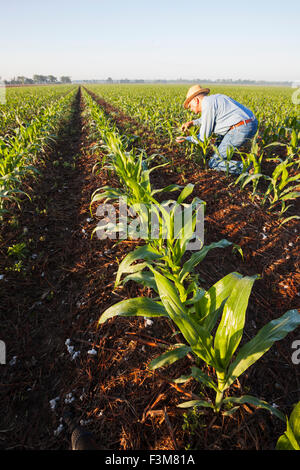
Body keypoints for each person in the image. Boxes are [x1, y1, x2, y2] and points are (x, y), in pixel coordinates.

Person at [176, 85, 258, 174]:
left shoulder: (207, 105)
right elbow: (209, 118)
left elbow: (202, 138)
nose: (191, 109)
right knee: (218, 144)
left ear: (196, 100)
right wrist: (192, 123)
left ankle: (249, 168)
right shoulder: (214, 99)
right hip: (251, 123)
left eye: (190, 106)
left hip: (240, 129)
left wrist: (186, 138)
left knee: (214, 162)